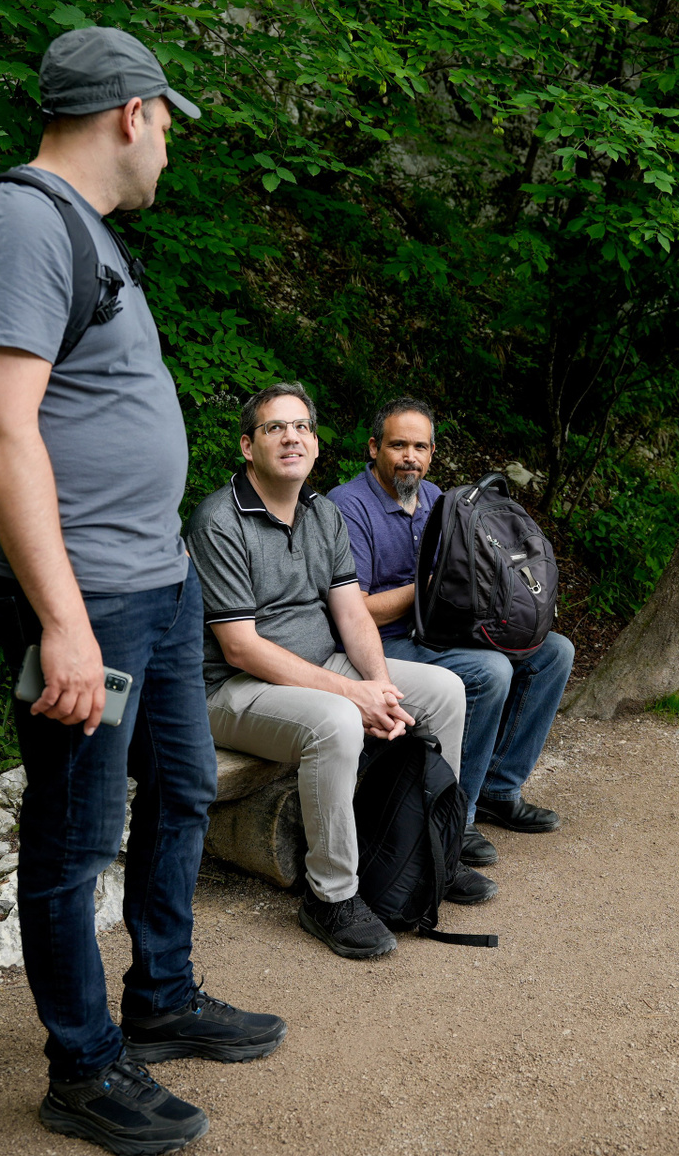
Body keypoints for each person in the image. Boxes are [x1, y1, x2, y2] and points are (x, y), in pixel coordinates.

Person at [0, 27, 280, 1155]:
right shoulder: (17, 224)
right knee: (75, 834)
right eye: (168, 124)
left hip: (159, 580)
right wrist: (62, 623)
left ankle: (163, 995)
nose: (170, 148)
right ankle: (83, 1067)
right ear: (132, 114)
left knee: (182, 787)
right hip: (86, 596)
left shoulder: (86, 232)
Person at [186, 383, 490, 962]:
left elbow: (352, 613)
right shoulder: (219, 521)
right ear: (248, 446)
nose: (291, 438)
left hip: (319, 666)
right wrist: (353, 695)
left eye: (302, 427)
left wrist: (378, 686)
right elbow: (241, 648)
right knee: (337, 721)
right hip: (231, 690)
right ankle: (331, 896)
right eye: (275, 428)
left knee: (445, 690)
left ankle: (434, 851)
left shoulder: (321, 513)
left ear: (317, 445)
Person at [328, 398, 575, 869]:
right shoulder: (348, 505)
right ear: (374, 447)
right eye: (398, 445)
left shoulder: (437, 498)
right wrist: (430, 586)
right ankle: (455, 818)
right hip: (379, 644)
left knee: (553, 652)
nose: (409, 457)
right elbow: (358, 612)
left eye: (419, 447)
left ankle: (498, 789)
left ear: (432, 452)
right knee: (491, 671)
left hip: (438, 631)